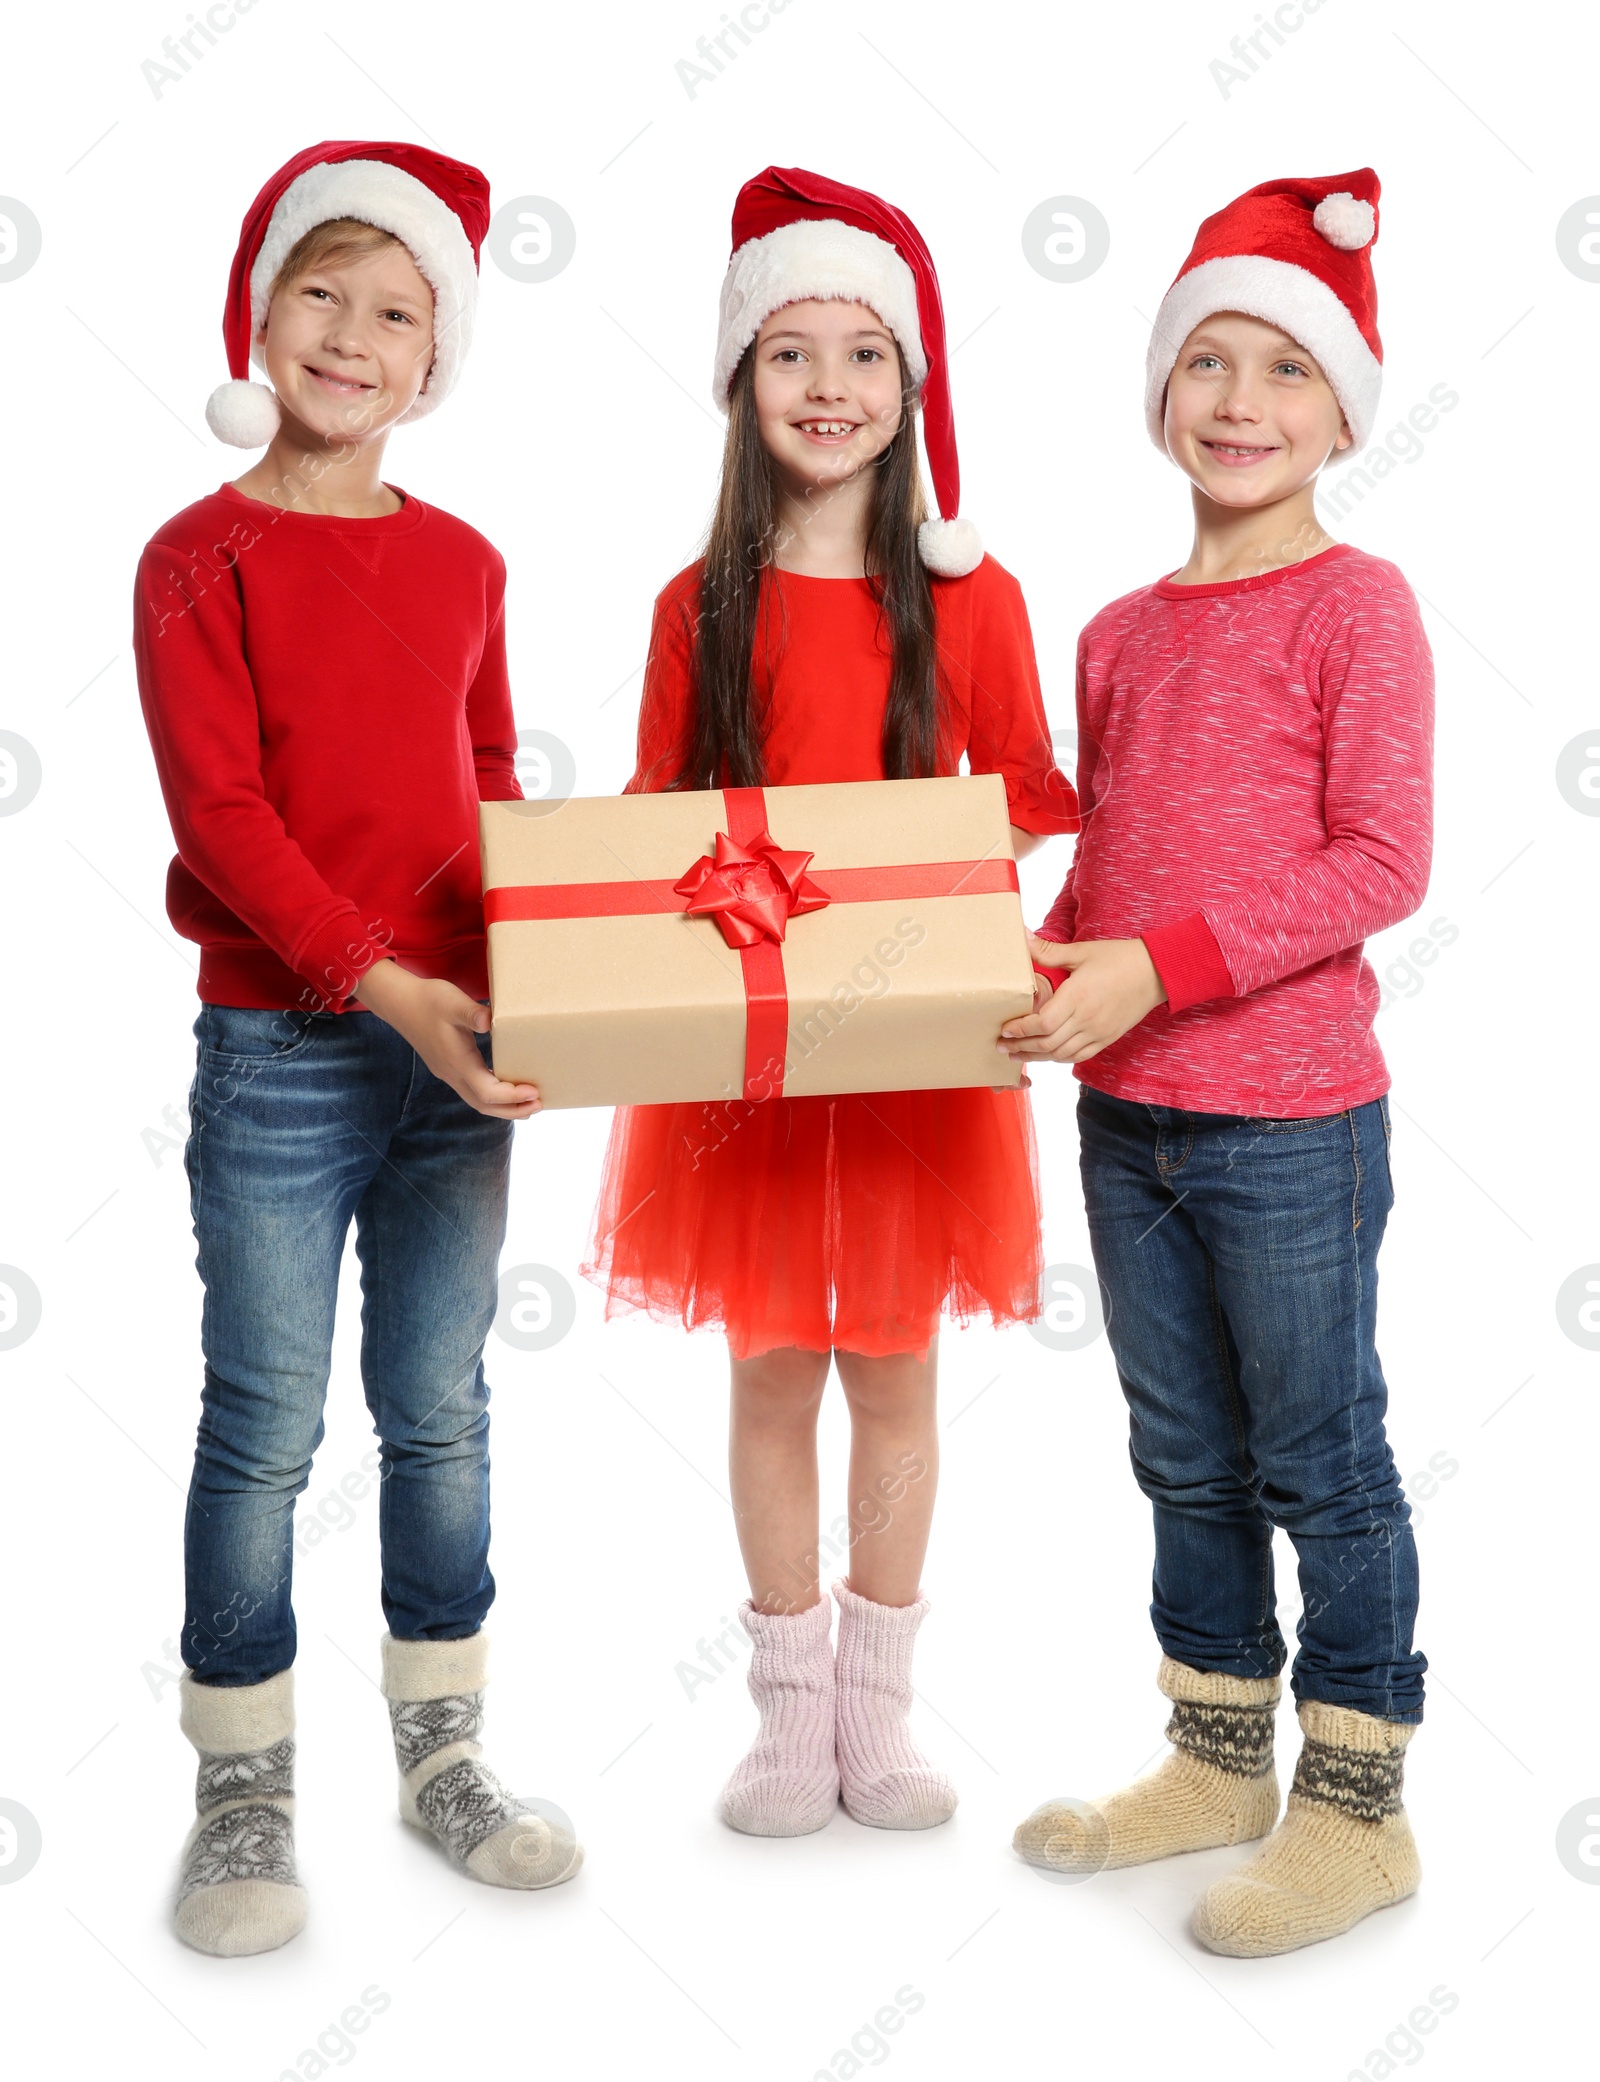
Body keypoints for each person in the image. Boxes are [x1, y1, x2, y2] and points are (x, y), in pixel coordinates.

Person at [584, 166, 1078, 1837]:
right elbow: (662, 827)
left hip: (920, 1053)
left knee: (897, 1372)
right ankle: (789, 1714)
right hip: (754, 1056)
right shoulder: (692, 604)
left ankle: (885, 1707)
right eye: (789, 352)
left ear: (911, 389)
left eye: (864, 355)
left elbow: (1024, 789)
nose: (828, 387)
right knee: (772, 1369)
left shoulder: (973, 593)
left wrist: (912, 857)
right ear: (741, 383)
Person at [133, 140, 579, 1956]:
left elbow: (483, 782)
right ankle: (242, 1789)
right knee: (263, 1420)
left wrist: (543, 958)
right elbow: (223, 813)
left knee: (443, 1406)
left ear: (432, 362)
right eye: (323, 290)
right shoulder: (197, 553)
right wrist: (381, 981)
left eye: (397, 311)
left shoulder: (466, 559)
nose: (352, 332)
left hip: (460, 1052)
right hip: (284, 1048)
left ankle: (444, 1754)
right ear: (263, 313)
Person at [1006, 171, 1432, 1956]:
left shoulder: (1359, 604)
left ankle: (1359, 1805)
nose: (1241, 403)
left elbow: (1378, 864)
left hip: (1289, 1125)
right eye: (1209, 365)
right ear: (1163, 393)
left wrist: (1159, 966)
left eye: (1285, 372)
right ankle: (1217, 1752)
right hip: (1134, 1124)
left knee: (1318, 1453)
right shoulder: (1117, 630)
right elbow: (1112, 856)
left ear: (1343, 410)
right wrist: (1038, 967)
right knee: (1182, 1451)